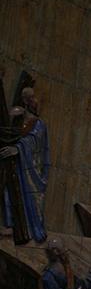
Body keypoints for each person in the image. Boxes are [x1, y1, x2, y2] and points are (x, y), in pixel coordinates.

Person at [0, 86, 48, 243]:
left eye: (34, 97)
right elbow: (10, 132)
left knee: (33, 197)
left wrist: (18, 148)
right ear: (26, 101)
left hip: (30, 169)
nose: (35, 101)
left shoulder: (38, 123)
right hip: (16, 167)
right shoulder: (20, 118)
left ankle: (32, 229)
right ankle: (12, 226)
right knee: (10, 191)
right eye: (31, 98)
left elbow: (35, 141)